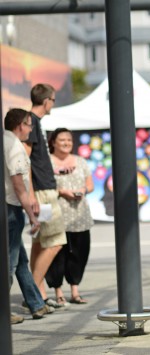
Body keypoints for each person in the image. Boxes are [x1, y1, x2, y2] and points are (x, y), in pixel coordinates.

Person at [3, 108, 54, 323]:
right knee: (10, 262)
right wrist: (32, 216)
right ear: (20, 125)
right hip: (11, 207)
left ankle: (36, 304)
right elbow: (18, 186)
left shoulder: (5, 140)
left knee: (20, 260)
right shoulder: (14, 145)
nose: (31, 129)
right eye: (29, 125)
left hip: (9, 206)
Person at [25, 83, 67, 308]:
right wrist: (32, 195)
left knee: (40, 243)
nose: (53, 103)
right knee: (55, 242)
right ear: (46, 101)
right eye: (53, 99)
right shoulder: (31, 122)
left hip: (42, 190)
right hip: (42, 192)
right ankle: (32, 292)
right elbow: (26, 161)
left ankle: (37, 293)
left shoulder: (34, 122)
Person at [44, 128, 94, 305]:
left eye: (69, 140)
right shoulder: (47, 162)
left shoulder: (80, 161)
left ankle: (75, 290)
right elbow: (42, 186)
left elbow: (90, 185)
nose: (66, 143)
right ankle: (58, 292)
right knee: (57, 254)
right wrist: (62, 192)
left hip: (80, 215)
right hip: (57, 215)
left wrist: (83, 190)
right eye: (62, 140)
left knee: (80, 253)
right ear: (53, 142)